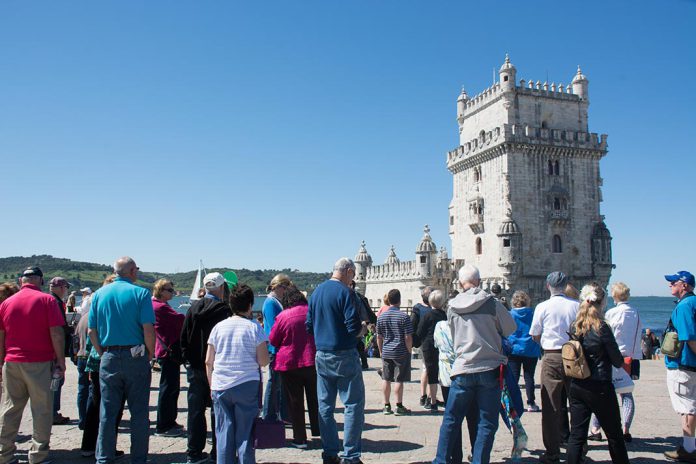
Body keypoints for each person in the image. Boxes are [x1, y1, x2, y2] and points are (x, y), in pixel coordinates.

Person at [433, 264, 517, 464]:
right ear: (478, 281)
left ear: (461, 283)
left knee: (451, 420)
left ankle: (441, 460)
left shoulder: (452, 306)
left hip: (462, 368)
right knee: (486, 423)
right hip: (489, 369)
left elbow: (455, 337)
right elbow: (510, 329)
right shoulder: (492, 303)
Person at [88, 257, 155, 464]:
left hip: (108, 355)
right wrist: (150, 354)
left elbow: (92, 330)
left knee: (107, 412)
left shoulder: (98, 294)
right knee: (139, 413)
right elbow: (148, 328)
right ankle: (138, 459)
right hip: (135, 356)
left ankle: (104, 458)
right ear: (133, 271)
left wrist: (102, 352)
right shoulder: (141, 293)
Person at [0, 267, 66, 464]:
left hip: (11, 362)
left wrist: (1, 361)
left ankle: (4, 454)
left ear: (21, 280)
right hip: (39, 362)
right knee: (42, 410)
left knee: (9, 410)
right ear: (40, 281)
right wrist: (61, 361)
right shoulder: (47, 300)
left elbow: (1, 336)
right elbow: (56, 333)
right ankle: (38, 455)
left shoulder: (6, 303)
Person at [306, 257, 365, 464]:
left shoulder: (316, 292)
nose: (353, 279)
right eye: (354, 274)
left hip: (321, 354)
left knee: (325, 406)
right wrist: (362, 330)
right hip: (344, 354)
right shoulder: (346, 292)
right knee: (353, 406)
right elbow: (353, 326)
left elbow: (308, 325)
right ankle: (350, 456)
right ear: (348, 271)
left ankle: (330, 453)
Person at [205, 283, 269, 464]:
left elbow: (209, 360)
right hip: (246, 383)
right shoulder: (254, 327)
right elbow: (263, 360)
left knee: (224, 433)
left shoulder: (218, 327)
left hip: (220, 384)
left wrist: (211, 385)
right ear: (250, 305)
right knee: (245, 434)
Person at [566, 283, 629, 464]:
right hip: (600, 385)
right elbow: (617, 360)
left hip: (578, 385)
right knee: (614, 434)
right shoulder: (602, 327)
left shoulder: (575, 326)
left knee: (577, 435)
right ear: (601, 303)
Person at [180, 272, 232, 464]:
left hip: (195, 365)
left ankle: (193, 452)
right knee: (217, 410)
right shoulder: (224, 310)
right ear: (221, 287)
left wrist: (187, 360)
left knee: (195, 410)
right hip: (216, 365)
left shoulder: (193, 308)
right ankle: (218, 452)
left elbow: (183, 337)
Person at [529, 271, 579, 464]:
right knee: (577, 404)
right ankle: (578, 450)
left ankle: (552, 452)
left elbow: (535, 334)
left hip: (551, 356)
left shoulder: (542, 307)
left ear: (547, 286)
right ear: (566, 285)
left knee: (550, 405)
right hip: (574, 356)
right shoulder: (576, 306)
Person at [79, 274, 126, 457]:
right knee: (111, 407)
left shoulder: (95, 308)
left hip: (95, 362)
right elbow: (93, 334)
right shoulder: (111, 310)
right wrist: (103, 354)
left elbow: (91, 335)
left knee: (95, 404)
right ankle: (106, 448)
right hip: (107, 360)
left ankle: (89, 446)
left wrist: (97, 355)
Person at [588, 282, 642, 442]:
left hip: (613, 357)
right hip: (630, 358)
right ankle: (625, 428)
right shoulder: (636, 312)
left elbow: (606, 335)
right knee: (627, 394)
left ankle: (595, 429)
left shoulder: (611, 313)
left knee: (602, 393)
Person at [268, 285, 320, 448]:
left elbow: (274, 340)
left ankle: (300, 439)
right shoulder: (313, 312)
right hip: (312, 361)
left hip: (289, 364)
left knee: (295, 401)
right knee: (316, 399)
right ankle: (320, 431)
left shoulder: (283, 316)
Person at [433, 318, 479, 463]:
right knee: (473, 417)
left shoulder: (440, 325)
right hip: (467, 372)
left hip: (447, 375)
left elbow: (436, 344)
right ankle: (476, 452)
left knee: (452, 417)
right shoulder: (468, 325)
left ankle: (455, 455)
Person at [663, 270, 696, 462]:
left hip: (683, 365)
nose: (670, 285)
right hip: (688, 365)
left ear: (684, 285)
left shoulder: (684, 306)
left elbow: (689, 337)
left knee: (687, 407)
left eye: (673, 282)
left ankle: (689, 450)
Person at [152, 279, 185, 437]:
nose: (172, 292)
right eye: (169, 290)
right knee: (168, 389)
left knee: (171, 388)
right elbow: (181, 320)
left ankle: (169, 421)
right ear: (161, 290)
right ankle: (164, 425)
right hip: (167, 352)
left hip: (164, 351)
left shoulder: (157, 306)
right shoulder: (161, 307)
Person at [376, 289, 413, 416]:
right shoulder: (404, 317)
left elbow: (379, 337)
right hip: (400, 352)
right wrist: (409, 350)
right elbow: (408, 337)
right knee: (398, 380)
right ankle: (399, 405)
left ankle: (386, 406)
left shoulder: (381, 317)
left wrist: (381, 351)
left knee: (386, 378)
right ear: (399, 300)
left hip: (386, 351)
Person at [262, 273, 292, 422]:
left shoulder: (277, 301)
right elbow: (275, 326)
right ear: (279, 286)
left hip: (281, 348)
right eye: (286, 287)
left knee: (282, 384)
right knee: (273, 383)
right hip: (275, 349)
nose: (287, 291)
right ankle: (268, 415)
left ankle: (283, 414)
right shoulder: (271, 303)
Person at [507, 290, 541, 412]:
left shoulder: (509, 315)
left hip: (514, 349)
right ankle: (531, 403)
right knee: (529, 377)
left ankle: (513, 403)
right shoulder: (533, 314)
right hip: (530, 349)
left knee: (514, 377)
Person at [416, 289, 447, 412]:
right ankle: (444, 399)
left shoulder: (427, 315)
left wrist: (417, 343)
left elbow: (420, 331)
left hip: (429, 347)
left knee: (432, 373)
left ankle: (433, 401)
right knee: (442, 373)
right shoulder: (444, 315)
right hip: (442, 346)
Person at [48, 276, 73, 425]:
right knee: (57, 380)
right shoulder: (55, 302)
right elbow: (59, 328)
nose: (65, 291)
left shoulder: (50, 300)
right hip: (55, 350)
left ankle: (51, 412)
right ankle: (53, 413)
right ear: (61, 288)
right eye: (65, 288)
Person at [411, 286, 433, 408]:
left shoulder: (416, 309)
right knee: (432, 372)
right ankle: (430, 398)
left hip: (422, 344)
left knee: (425, 369)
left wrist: (415, 342)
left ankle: (423, 395)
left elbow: (412, 326)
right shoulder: (435, 311)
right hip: (432, 344)